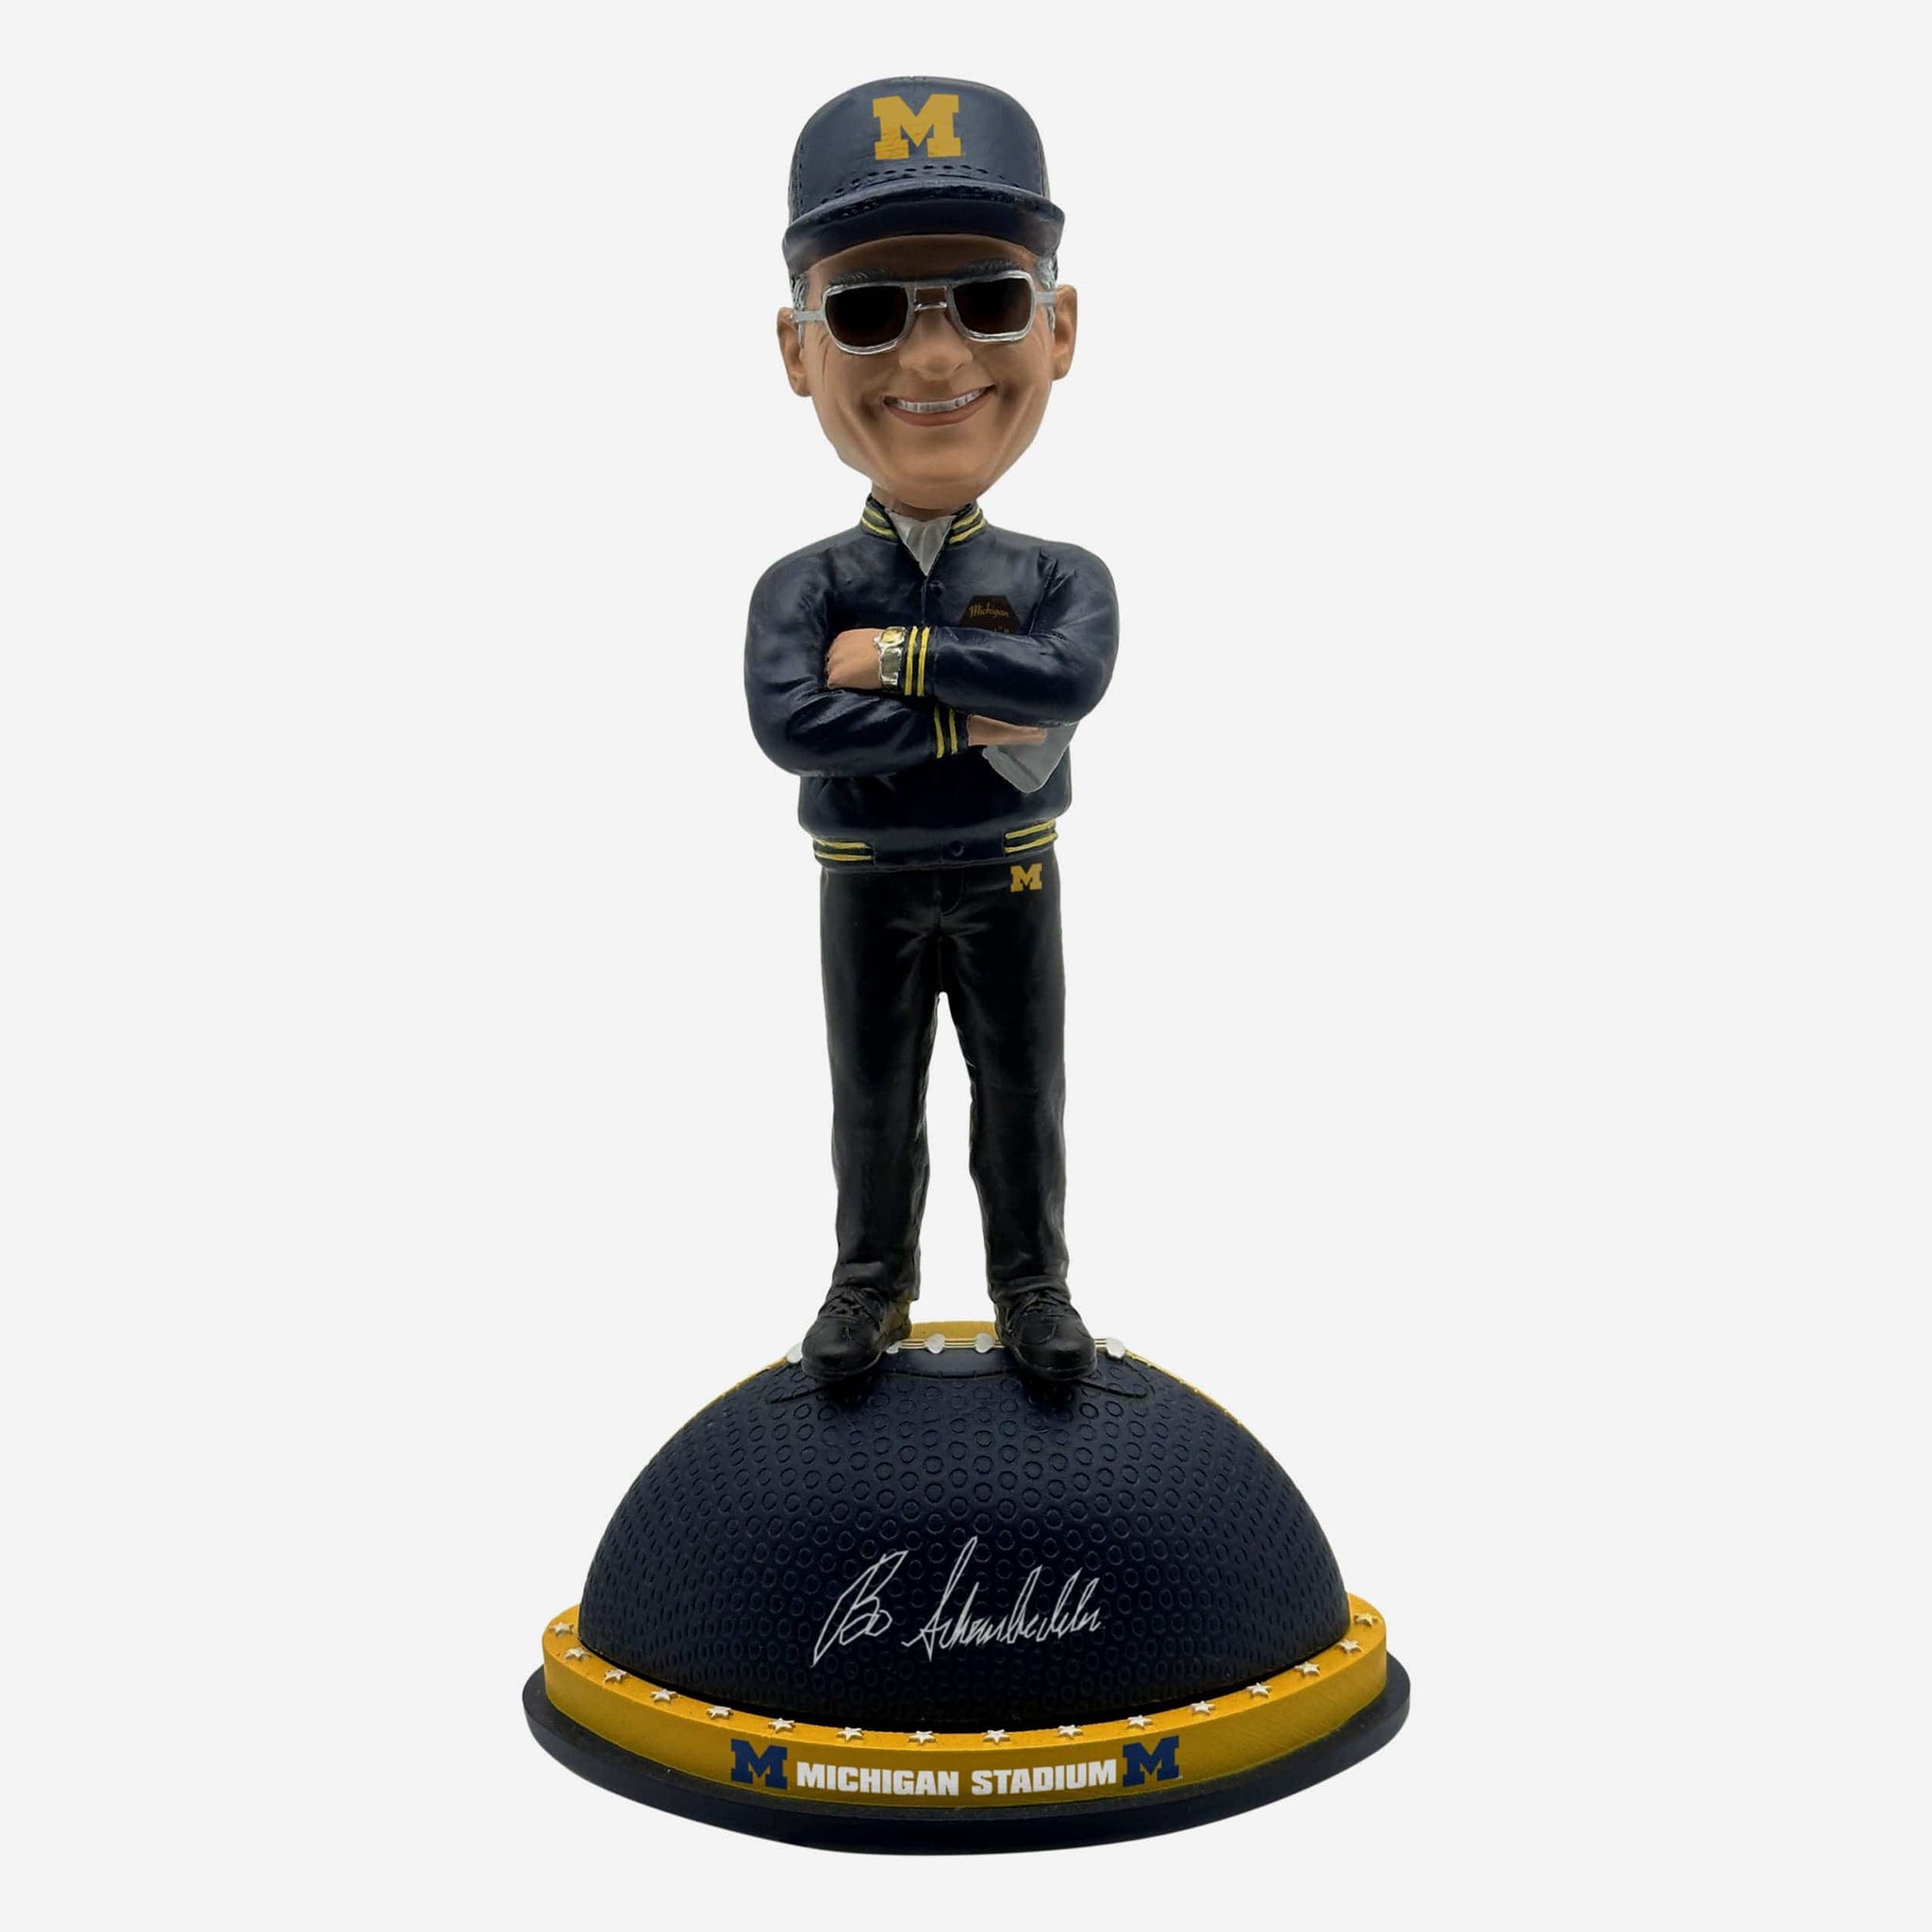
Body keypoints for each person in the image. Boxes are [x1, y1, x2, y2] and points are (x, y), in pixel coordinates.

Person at [745, 78, 1117, 1381]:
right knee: (872, 1094)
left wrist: (899, 662)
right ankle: (868, 1283)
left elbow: (1069, 680)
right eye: (866, 311)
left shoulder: (1061, 573)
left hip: (1014, 875)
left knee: (1024, 1090)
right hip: (868, 878)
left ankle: (1034, 1285)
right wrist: (973, 723)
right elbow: (798, 724)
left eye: (989, 300)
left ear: (1057, 328)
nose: (939, 357)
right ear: (799, 350)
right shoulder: (802, 586)